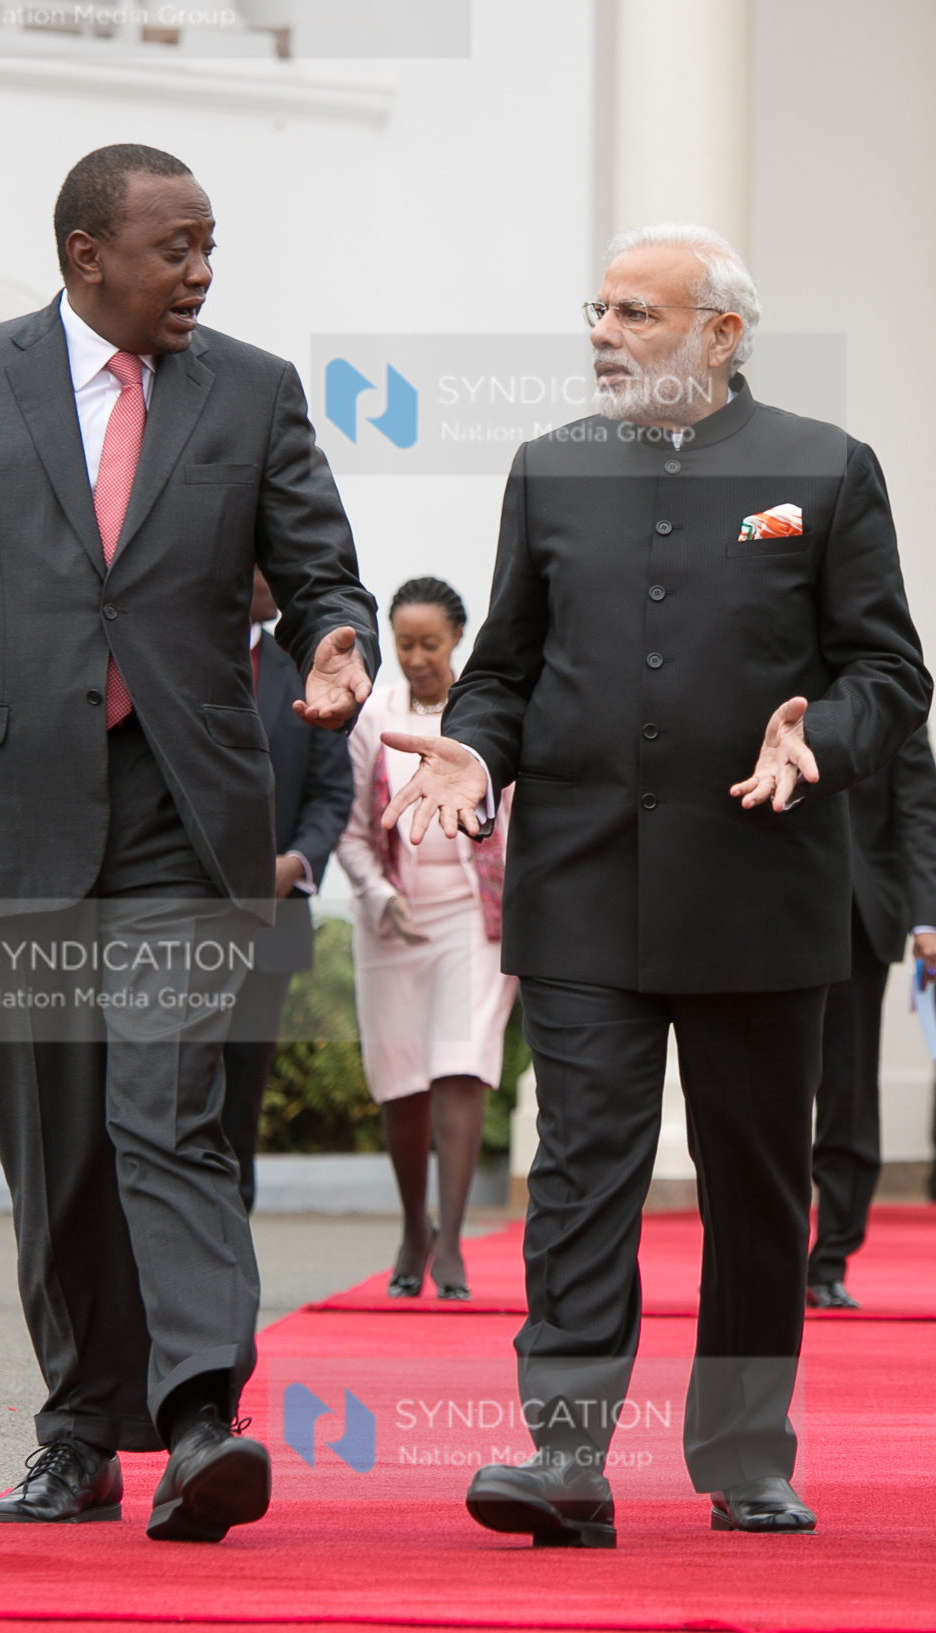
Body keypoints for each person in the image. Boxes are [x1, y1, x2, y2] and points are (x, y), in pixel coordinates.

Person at [0, 144, 378, 1543]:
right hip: (21, 813)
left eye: (207, 247)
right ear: (86, 255)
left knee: (171, 1121)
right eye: (173, 248)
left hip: (188, 815)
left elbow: (319, 568)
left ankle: (199, 1419)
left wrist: (335, 641)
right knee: (57, 1148)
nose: (198, 272)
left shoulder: (252, 391)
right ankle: (78, 1432)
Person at [383, 224, 930, 1543]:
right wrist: (473, 746)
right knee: (578, 1172)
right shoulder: (550, 468)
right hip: (581, 885)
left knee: (752, 1184)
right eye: (598, 308)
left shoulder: (824, 468)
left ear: (720, 334)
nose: (602, 333)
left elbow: (888, 676)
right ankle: (564, 1461)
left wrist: (823, 743)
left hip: (761, 885)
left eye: (634, 312)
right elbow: (505, 665)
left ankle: (745, 1453)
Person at [338, 578, 517, 1301]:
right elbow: (352, 832)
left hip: (474, 920)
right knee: (402, 1075)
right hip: (393, 922)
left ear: (457, 641)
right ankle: (413, 1224)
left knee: (461, 1064)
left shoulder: (488, 715)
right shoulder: (371, 720)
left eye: (430, 644)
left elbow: (514, 820)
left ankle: (451, 1238)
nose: (415, 657)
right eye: (404, 643)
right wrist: (380, 898)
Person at [220, 569, 354, 1212]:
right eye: (257, 557)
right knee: (165, 1084)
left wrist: (294, 862)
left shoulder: (307, 672)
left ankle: (227, 1244)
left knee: (242, 1088)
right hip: (166, 912)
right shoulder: (166, 656)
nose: (271, 574)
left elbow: (333, 794)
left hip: (269, 921)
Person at [807, 727, 936, 1308]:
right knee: (757, 1087)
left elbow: (917, 811)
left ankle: (828, 1257)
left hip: (857, 919)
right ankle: (760, 1254)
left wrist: (926, 918)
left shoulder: (887, 677)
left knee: (848, 1088)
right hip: (762, 910)